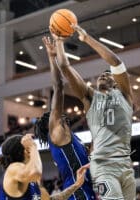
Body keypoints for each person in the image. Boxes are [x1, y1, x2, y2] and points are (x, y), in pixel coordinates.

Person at [53, 24, 136, 199]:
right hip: (104, 167)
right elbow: (65, 67)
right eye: (101, 74)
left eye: (108, 74)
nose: (103, 75)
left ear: (116, 83)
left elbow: (116, 62)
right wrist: (59, 42)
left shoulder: (125, 95)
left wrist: (87, 38)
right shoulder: (89, 98)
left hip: (125, 166)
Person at [34, 36, 96, 199]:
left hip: (86, 190)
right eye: (54, 114)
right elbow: (58, 86)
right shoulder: (56, 133)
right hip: (77, 193)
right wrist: (52, 57)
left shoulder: (71, 137)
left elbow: (91, 155)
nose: (58, 113)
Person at [0, 134, 89, 200]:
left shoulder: (31, 181)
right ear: (26, 151)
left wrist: (76, 185)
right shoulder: (13, 168)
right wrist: (33, 146)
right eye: (28, 147)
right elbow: (35, 172)